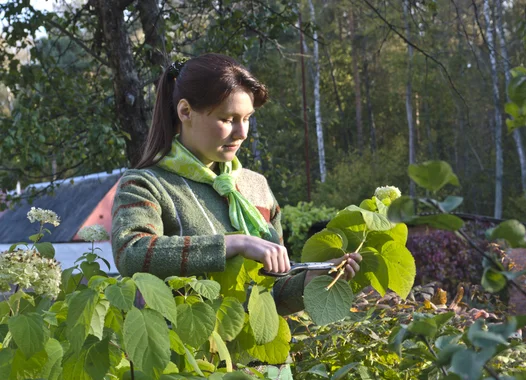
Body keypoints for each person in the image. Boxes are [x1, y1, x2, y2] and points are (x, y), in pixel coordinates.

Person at [111, 53, 361, 316]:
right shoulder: (146, 184)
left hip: (260, 356)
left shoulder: (257, 187)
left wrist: (315, 278)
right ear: (185, 111)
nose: (242, 133)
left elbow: (272, 293)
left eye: (247, 118)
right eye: (228, 119)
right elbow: (132, 253)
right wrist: (235, 244)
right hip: (188, 352)